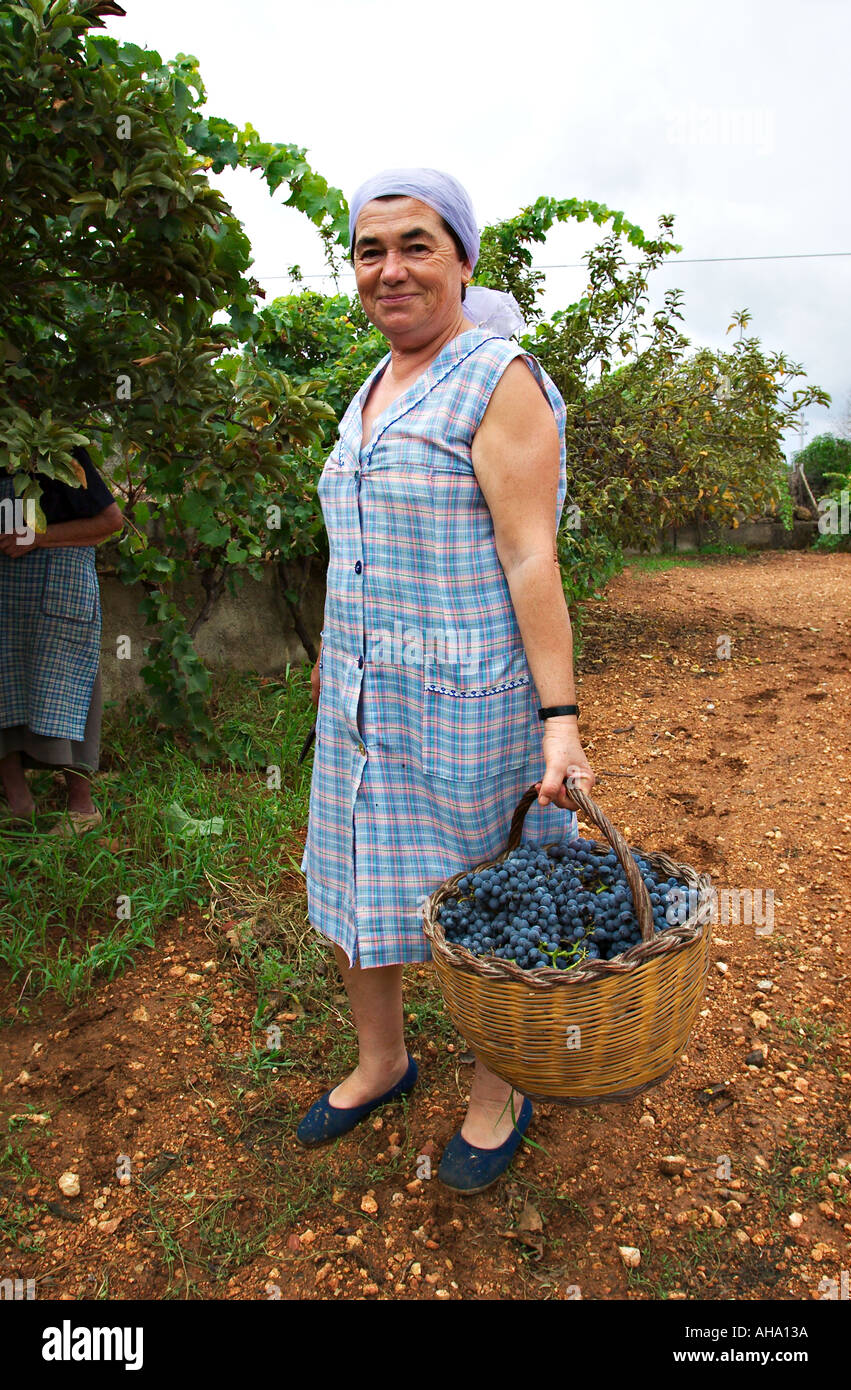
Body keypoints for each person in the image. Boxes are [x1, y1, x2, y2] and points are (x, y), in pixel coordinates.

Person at [297, 168, 596, 1192]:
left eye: (416, 245)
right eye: (370, 250)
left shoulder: (495, 375)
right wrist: (335, 664)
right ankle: (381, 1060)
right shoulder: (371, 387)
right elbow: (359, 553)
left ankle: (497, 1083)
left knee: (482, 902)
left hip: (469, 704)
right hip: (364, 704)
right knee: (353, 882)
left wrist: (559, 719)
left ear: (462, 260)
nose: (391, 269)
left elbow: (528, 560)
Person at [0, 445, 123, 832]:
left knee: (66, 688)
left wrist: (37, 538)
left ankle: (82, 810)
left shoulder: (58, 453)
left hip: (56, 583)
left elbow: (110, 521)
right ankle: (19, 802)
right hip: (0, 587)